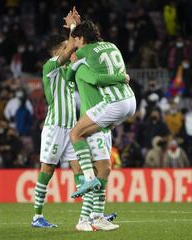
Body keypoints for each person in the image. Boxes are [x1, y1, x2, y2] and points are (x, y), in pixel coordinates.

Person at [31, 8, 120, 231]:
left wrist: (79, 31)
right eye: (64, 48)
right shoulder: (50, 67)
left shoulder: (72, 66)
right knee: (47, 171)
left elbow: (79, 51)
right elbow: (73, 46)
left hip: (72, 128)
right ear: (56, 52)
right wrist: (74, 28)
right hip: (54, 127)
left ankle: (92, 213)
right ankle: (37, 216)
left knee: (81, 172)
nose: (70, 51)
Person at [68, 20, 136, 198]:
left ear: (82, 39)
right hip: (130, 101)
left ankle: (89, 178)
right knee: (104, 162)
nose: (75, 43)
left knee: (75, 134)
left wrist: (73, 31)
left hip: (114, 102)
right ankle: (97, 215)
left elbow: (70, 72)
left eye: (77, 40)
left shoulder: (84, 51)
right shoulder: (112, 46)